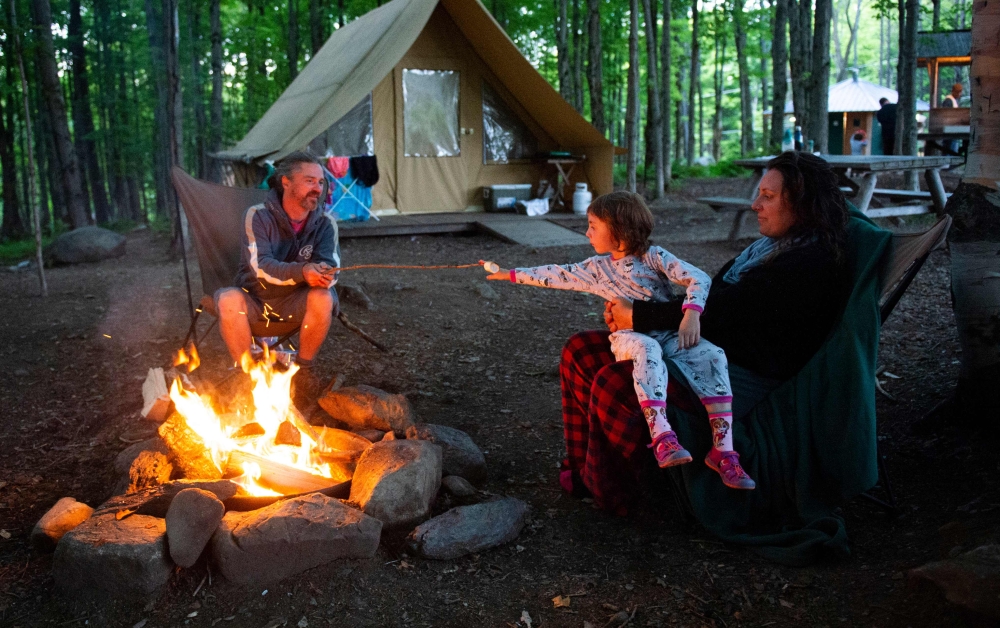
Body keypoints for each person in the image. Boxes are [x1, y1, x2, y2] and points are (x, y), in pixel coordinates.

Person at [560, 151, 850, 513]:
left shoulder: (808, 263)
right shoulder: (768, 249)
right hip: (698, 346)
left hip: (735, 371)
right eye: (759, 193)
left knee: (614, 381)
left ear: (805, 204)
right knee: (581, 350)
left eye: (769, 197)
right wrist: (638, 308)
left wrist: (640, 316)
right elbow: (714, 302)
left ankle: (625, 495)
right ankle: (585, 468)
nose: (755, 204)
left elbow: (724, 316)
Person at [485, 192, 755, 490]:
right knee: (646, 348)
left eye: (593, 225)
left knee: (712, 354)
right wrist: (509, 274)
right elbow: (556, 274)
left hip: (668, 334)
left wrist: (691, 313)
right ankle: (662, 435)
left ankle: (724, 450)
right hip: (629, 337)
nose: (586, 232)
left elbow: (699, 278)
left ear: (620, 230)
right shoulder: (597, 269)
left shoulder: (654, 257)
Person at [215, 151, 341, 395]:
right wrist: (303, 271)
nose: (318, 188)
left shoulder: (326, 224)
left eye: (321, 182)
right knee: (228, 299)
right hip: (256, 299)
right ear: (286, 182)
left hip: (296, 303)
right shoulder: (257, 216)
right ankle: (246, 375)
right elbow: (260, 266)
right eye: (309, 181)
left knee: (323, 297)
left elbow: (332, 269)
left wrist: (324, 275)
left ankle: (303, 370)